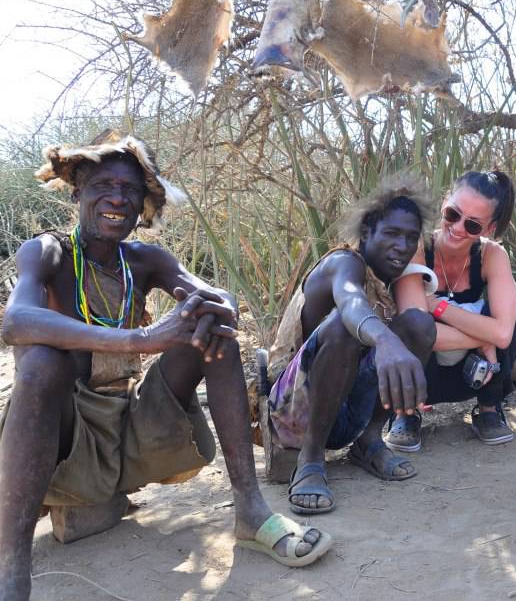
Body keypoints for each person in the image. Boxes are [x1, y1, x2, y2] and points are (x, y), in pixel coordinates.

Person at [0, 130, 330, 600]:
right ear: (77, 193)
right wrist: (142, 338)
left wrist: (214, 306)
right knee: (40, 366)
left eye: (130, 191)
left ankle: (250, 510)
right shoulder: (48, 252)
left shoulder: (144, 259)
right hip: (66, 440)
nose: (118, 198)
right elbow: (15, 322)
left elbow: (221, 300)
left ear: (144, 205)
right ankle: (13, 568)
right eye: (103, 186)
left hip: (131, 432)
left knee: (215, 331)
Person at [267, 174, 437, 515]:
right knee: (346, 327)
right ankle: (310, 459)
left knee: (419, 324)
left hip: (346, 412)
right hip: (293, 411)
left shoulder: (383, 281)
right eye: (391, 233)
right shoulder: (343, 263)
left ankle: (368, 440)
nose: (402, 246)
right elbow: (350, 304)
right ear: (365, 234)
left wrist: (397, 342)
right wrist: (386, 341)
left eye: (410, 237)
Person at [390, 170, 516, 449]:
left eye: (473, 225)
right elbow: (416, 330)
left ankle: (489, 408)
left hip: (475, 374)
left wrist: (436, 306)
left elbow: (505, 333)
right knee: (411, 324)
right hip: (423, 375)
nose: (459, 227)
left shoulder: (493, 256)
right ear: (444, 203)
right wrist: (485, 337)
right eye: (453, 214)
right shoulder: (416, 249)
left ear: (488, 230)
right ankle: (406, 412)